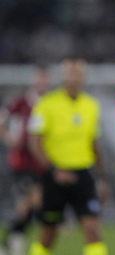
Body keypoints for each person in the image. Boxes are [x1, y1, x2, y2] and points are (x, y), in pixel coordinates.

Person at [27, 57, 109, 255]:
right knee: (48, 233)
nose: (73, 77)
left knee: (92, 229)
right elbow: (34, 143)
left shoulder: (91, 105)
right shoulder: (46, 104)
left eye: (77, 73)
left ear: (83, 76)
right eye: (69, 73)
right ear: (63, 76)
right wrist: (54, 170)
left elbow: (94, 143)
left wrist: (102, 178)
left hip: (83, 175)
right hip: (55, 175)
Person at [0, 65, 50, 255]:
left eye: (45, 80)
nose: (42, 83)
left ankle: (11, 241)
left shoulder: (49, 103)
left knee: (26, 206)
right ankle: (13, 242)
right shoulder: (20, 102)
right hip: (21, 162)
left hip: (40, 162)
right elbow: (2, 121)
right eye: (39, 79)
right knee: (35, 201)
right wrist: (9, 140)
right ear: (34, 80)